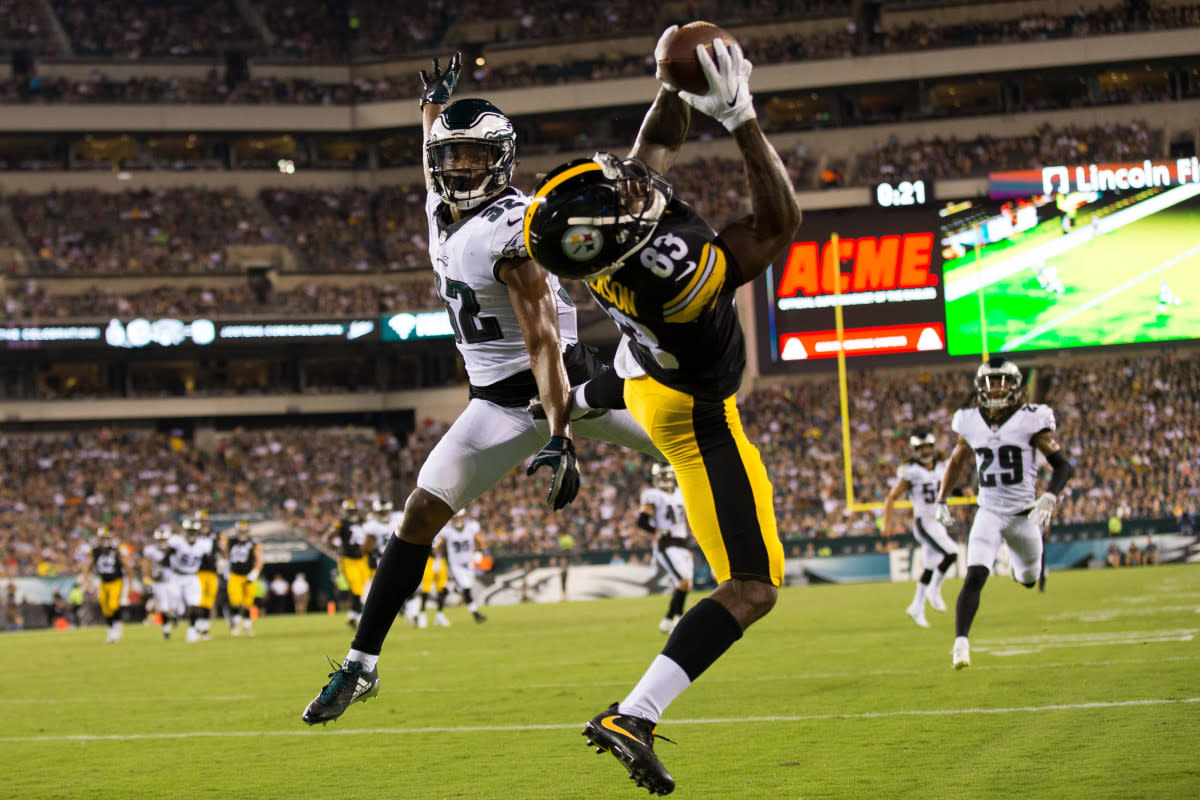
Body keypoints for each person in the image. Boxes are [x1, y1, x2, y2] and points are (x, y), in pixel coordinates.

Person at [302, 52, 660, 729]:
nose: (457, 169)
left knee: (688, 447)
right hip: (496, 404)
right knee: (417, 515)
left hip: (574, 386)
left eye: (472, 158)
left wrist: (561, 437)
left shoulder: (511, 230)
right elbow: (432, 152)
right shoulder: (443, 204)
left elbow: (544, 343)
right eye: (451, 157)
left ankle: (749, 566)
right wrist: (431, 110)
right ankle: (360, 664)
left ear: (501, 160)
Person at [521, 29, 800, 794]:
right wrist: (740, 115)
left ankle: (568, 405)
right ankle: (633, 715)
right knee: (753, 585)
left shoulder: (602, 244)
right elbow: (777, 226)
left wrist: (676, 88)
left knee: (613, 383)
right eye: (624, 197)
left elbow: (647, 150)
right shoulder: (672, 278)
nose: (634, 185)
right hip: (691, 409)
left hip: (637, 366)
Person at [935, 356, 1074, 670]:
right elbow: (957, 462)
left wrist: (1050, 496)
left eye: (1002, 381)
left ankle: (1019, 569)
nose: (996, 388)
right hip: (989, 511)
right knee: (975, 575)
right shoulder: (968, 421)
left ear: (1015, 387)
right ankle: (960, 645)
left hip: (1025, 515)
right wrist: (942, 499)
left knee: (1028, 578)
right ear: (981, 387)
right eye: (991, 382)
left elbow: (1064, 466)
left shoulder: (1032, 419)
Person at [882, 427, 959, 628]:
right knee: (952, 553)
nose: (925, 452)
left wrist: (961, 490)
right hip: (924, 523)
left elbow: (947, 483)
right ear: (915, 450)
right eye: (921, 448)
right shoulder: (911, 471)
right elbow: (891, 497)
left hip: (938, 521)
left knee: (929, 566)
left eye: (927, 447)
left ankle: (917, 606)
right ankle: (934, 589)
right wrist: (887, 522)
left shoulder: (942, 464)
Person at [639, 464, 693, 634]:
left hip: (682, 543)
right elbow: (642, 522)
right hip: (666, 544)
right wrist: (657, 531)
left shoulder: (680, 493)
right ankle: (678, 619)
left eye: (667, 476)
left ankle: (667, 620)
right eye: (662, 477)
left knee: (684, 584)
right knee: (683, 581)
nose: (666, 480)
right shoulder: (653, 495)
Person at [80, 526, 131, 643]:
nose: (105, 539)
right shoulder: (96, 550)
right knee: (105, 607)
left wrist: (131, 582)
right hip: (103, 582)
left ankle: (117, 627)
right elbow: (89, 565)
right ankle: (110, 631)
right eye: (103, 537)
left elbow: (127, 565)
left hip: (116, 581)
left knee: (113, 605)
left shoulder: (117, 549)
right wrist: (85, 579)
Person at [169, 518, 216, 642]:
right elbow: (167, 554)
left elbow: (210, 559)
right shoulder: (177, 541)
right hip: (176, 576)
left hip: (192, 576)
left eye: (193, 531)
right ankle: (175, 614)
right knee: (176, 604)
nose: (191, 534)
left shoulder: (204, 543)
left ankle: (192, 631)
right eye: (189, 531)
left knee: (195, 604)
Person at [327, 499, 372, 629]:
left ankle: (352, 616)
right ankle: (357, 616)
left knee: (363, 588)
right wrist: (336, 549)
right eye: (350, 510)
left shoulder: (363, 522)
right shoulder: (341, 523)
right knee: (356, 587)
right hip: (348, 559)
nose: (352, 512)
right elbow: (329, 537)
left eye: (353, 510)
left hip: (362, 558)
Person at [439, 509, 488, 623]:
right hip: (456, 565)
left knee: (464, 587)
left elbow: (480, 541)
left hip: (469, 563)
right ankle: (476, 615)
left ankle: (441, 606)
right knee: (466, 588)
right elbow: (438, 546)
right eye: (454, 518)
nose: (457, 520)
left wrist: (480, 552)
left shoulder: (471, 527)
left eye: (458, 517)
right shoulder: (447, 531)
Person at [224, 519, 264, 636]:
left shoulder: (253, 542)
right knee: (235, 600)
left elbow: (259, 559)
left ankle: (247, 626)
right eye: (240, 531)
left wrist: (255, 572)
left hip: (248, 575)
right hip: (235, 575)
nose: (242, 533)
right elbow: (225, 554)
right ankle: (236, 625)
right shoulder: (230, 541)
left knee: (248, 602)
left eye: (244, 531)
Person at [141, 524, 179, 640]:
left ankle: (174, 616)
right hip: (158, 582)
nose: (162, 541)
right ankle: (166, 632)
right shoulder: (151, 550)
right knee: (163, 607)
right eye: (160, 539)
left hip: (172, 580)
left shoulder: (174, 550)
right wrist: (147, 577)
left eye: (164, 539)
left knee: (175, 604)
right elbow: (146, 564)